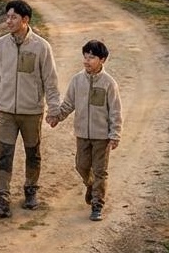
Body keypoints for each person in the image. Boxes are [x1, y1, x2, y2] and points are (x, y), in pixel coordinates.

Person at [0, 0, 61, 218]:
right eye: (7, 17)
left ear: (25, 20)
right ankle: (2, 197)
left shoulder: (41, 47)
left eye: (13, 17)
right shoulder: (0, 45)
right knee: (4, 154)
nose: (8, 21)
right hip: (6, 111)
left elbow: (50, 81)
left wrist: (53, 109)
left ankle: (30, 190)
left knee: (32, 153)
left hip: (31, 111)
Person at [50, 39, 123, 221]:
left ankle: (97, 204)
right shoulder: (77, 80)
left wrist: (115, 134)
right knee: (81, 165)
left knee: (100, 170)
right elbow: (68, 104)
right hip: (82, 134)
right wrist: (57, 116)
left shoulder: (109, 83)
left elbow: (115, 110)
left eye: (91, 57)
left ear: (102, 60)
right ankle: (90, 185)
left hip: (102, 137)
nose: (86, 61)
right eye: (85, 57)